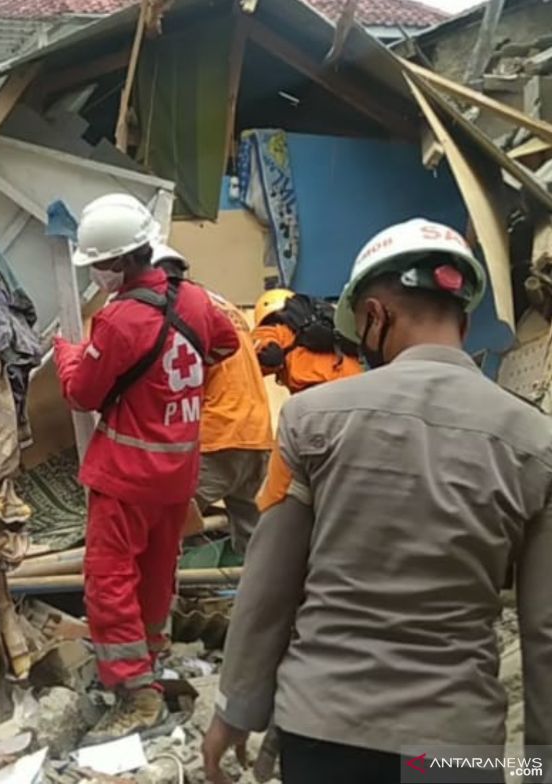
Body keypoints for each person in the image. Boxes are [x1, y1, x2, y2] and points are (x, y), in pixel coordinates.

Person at [202, 218, 552, 784]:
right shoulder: (535, 442)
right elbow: (545, 628)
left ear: (374, 315)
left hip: (324, 730)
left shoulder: (311, 419)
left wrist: (236, 711)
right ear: (462, 320)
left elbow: (270, 585)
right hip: (454, 748)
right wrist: (543, 764)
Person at [54, 194, 239, 742]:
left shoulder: (119, 321)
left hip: (126, 474)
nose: (97, 276)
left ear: (116, 264)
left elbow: (82, 394)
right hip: (177, 473)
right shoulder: (197, 301)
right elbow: (225, 343)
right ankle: (151, 659)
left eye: (98, 266)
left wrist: (69, 351)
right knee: (158, 574)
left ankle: (135, 693)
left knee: (110, 580)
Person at [195, 288, 273, 554]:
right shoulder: (227, 306)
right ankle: (266, 595)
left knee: (162, 523)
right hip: (256, 433)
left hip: (219, 433)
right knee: (257, 543)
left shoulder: (183, 308)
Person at [251, 287, 361, 393]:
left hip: (317, 387)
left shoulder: (273, 329)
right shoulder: (330, 323)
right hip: (357, 380)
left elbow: (264, 353)